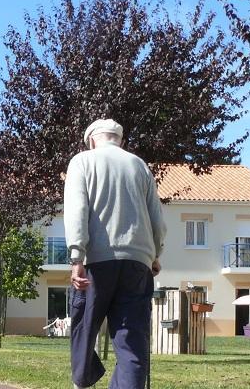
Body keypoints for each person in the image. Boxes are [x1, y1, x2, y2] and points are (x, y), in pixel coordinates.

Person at [64, 119, 166, 389]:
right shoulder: (140, 166)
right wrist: (155, 254)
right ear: (119, 140)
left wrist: (77, 258)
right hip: (137, 264)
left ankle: (83, 380)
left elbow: (77, 210)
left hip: (97, 262)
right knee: (132, 342)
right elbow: (157, 219)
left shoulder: (82, 161)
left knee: (83, 330)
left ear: (92, 140)